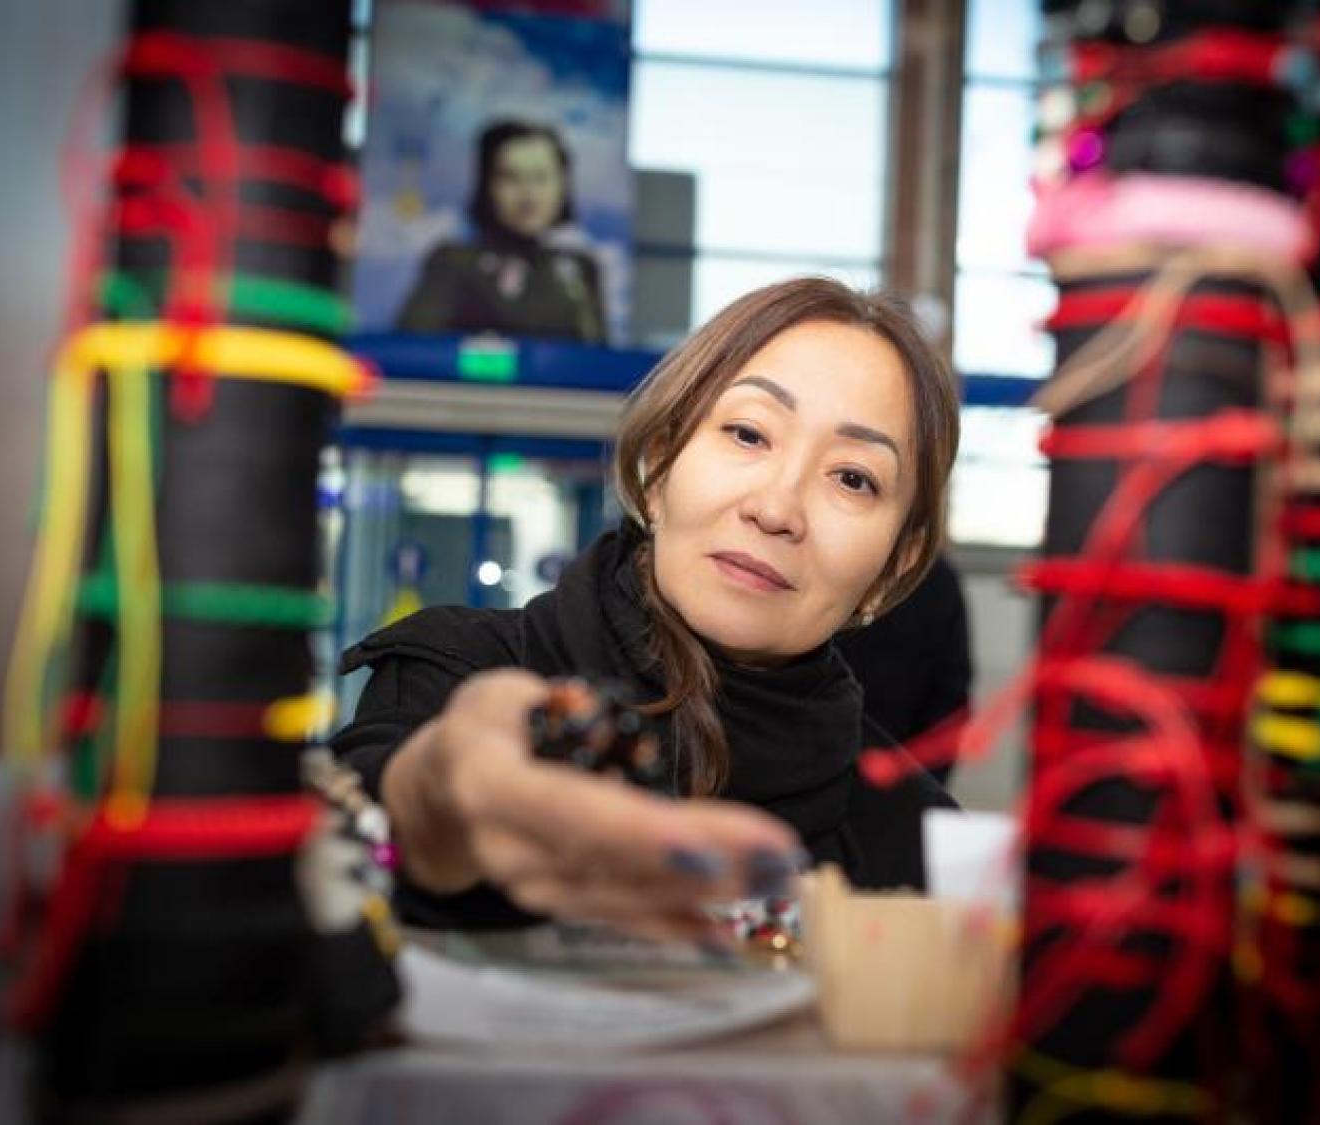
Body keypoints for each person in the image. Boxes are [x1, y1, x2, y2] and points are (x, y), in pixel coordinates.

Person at [334, 277, 961, 944]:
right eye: (748, 433)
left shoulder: (916, 851)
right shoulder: (452, 676)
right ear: (660, 466)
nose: (777, 509)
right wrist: (433, 809)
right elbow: (335, 857)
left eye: (853, 477)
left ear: (894, 563)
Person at [397, 119, 608, 343]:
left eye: (541, 178)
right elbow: (413, 348)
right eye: (512, 178)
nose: (529, 195)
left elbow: (599, 360)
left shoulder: (579, 269)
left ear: (562, 185)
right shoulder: (452, 263)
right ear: (487, 185)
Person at [836, 553, 972, 786]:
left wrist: (923, 784)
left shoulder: (938, 581)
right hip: (817, 760)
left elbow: (950, 700)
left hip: (898, 773)